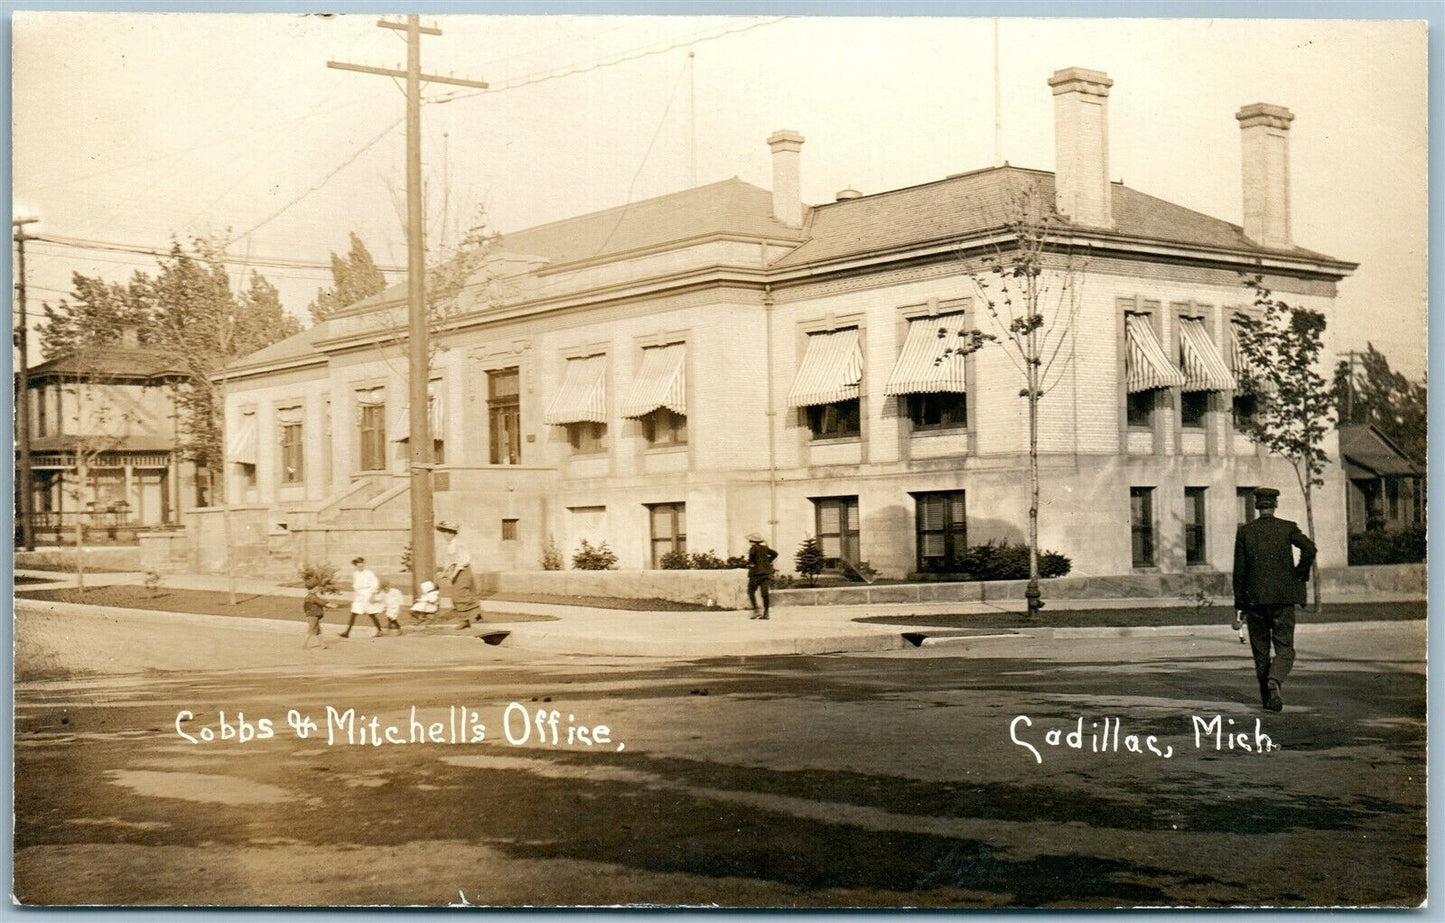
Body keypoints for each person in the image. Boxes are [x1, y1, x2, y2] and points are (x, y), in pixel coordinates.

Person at [1232, 487, 1316, 712]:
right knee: (1285, 648)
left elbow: (1239, 572)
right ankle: (1275, 681)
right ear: (1275, 504)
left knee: (1260, 652)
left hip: (1254, 600)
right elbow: (1309, 548)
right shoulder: (1287, 528)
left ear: (1257, 506)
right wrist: (1300, 573)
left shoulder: (1245, 532)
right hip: (1282, 599)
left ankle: (1268, 699)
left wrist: (1239, 606)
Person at [437, 520, 481, 628]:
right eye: (443, 532)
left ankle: (468, 618)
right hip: (456, 571)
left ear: (452, 533)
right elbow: (449, 562)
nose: (444, 535)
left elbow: (462, 561)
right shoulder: (450, 546)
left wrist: (453, 574)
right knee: (457, 596)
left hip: (463, 571)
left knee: (459, 595)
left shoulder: (459, 544)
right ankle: (473, 614)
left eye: (446, 532)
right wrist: (445, 572)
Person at [341, 556, 385, 639]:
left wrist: (372, 594)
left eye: (362, 565)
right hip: (359, 595)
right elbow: (356, 585)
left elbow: (375, 583)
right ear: (356, 566)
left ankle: (380, 630)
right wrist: (355, 596)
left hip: (368, 593)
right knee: (354, 613)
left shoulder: (369, 573)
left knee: (371, 613)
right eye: (358, 566)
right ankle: (347, 632)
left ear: (364, 564)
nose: (360, 567)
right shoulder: (355, 574)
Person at [745, 532, 778, 620]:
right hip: (766, 573)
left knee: (751, 591)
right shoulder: (765, 548)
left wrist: (750, 563)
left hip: (755, 574)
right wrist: (768, 561)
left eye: (750, 540)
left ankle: (756, 610)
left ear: (752, 541)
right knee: (764, 593)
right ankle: (766, 612)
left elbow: (751, 560)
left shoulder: (753, 548)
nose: (749, 542)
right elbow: (775, 554)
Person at [302, 581, 339, 650]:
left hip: (312, 616)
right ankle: (304, 644)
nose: (317, 589)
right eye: (316, 587)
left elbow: (307, 606)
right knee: (311, 630)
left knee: (318, 631)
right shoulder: (312, 597)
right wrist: (331, 605)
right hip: (313, 616)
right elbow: (321, 602)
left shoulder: (309, 597)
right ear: (312, 589)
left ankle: (322, 644)